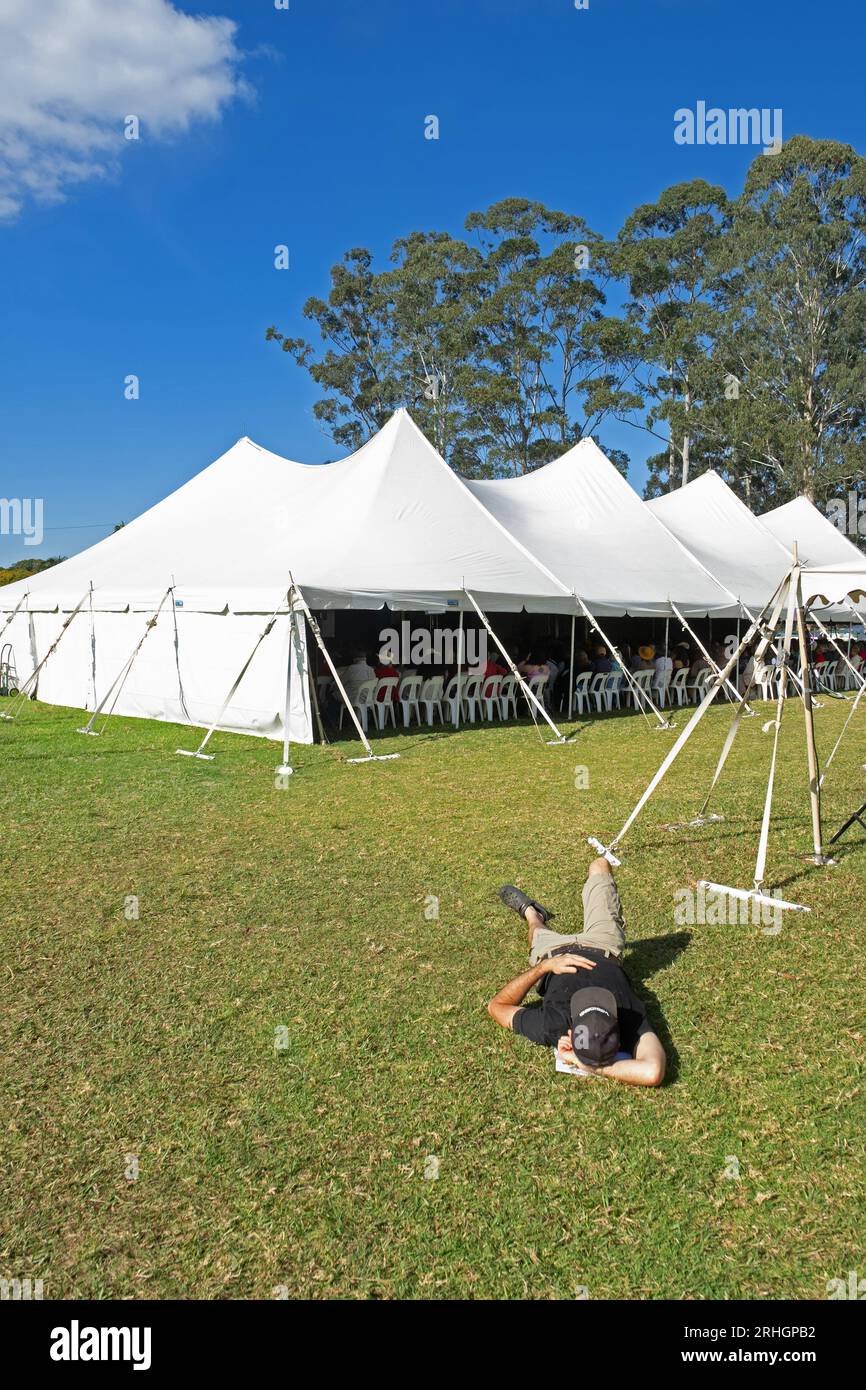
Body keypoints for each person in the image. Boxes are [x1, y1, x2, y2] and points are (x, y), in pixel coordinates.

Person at [487, 859, 666, 1087]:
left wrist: (543, 967)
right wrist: (595, 1065)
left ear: (570, 1036)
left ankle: (532, 913)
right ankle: (536, 917)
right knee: (599, 865)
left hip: (552, 954)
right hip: (603, 945)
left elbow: (497, 1007)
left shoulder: (554, 1025)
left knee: (537, 934)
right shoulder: (629, 1018)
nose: (593, 994)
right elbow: (652, 1072)